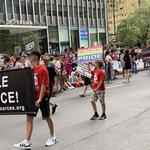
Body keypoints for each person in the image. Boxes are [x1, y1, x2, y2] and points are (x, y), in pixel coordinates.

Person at [14, 51, 57, 149]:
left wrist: (40, 99)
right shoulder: (31, 69)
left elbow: (44, 85)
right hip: (33, 97)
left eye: (31, 55)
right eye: (28, 55)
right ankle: (27, 141)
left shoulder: (42, 69)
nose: (29, 57)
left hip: (43, 97)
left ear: (36, 57)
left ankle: (52, 136)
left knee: (46, 117)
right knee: (29, 118)